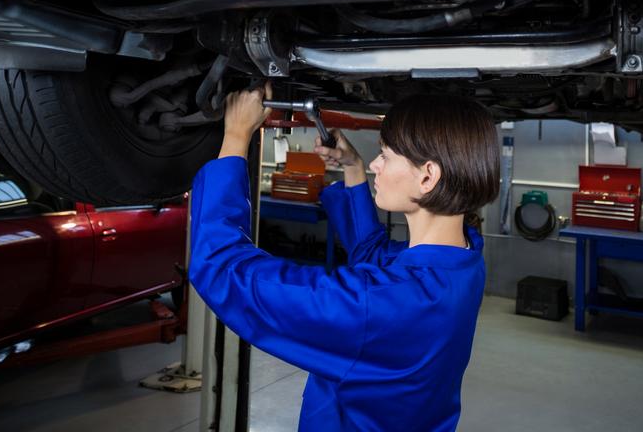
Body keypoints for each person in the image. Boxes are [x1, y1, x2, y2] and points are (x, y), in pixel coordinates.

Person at [188, 84, 500, 431]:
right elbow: (375, 258)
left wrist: (235, 135)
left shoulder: (378, 301)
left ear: (428, 176)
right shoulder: (463, 261)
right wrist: (353, 168)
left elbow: (222, 268)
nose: (376, 165)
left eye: (386, 155)